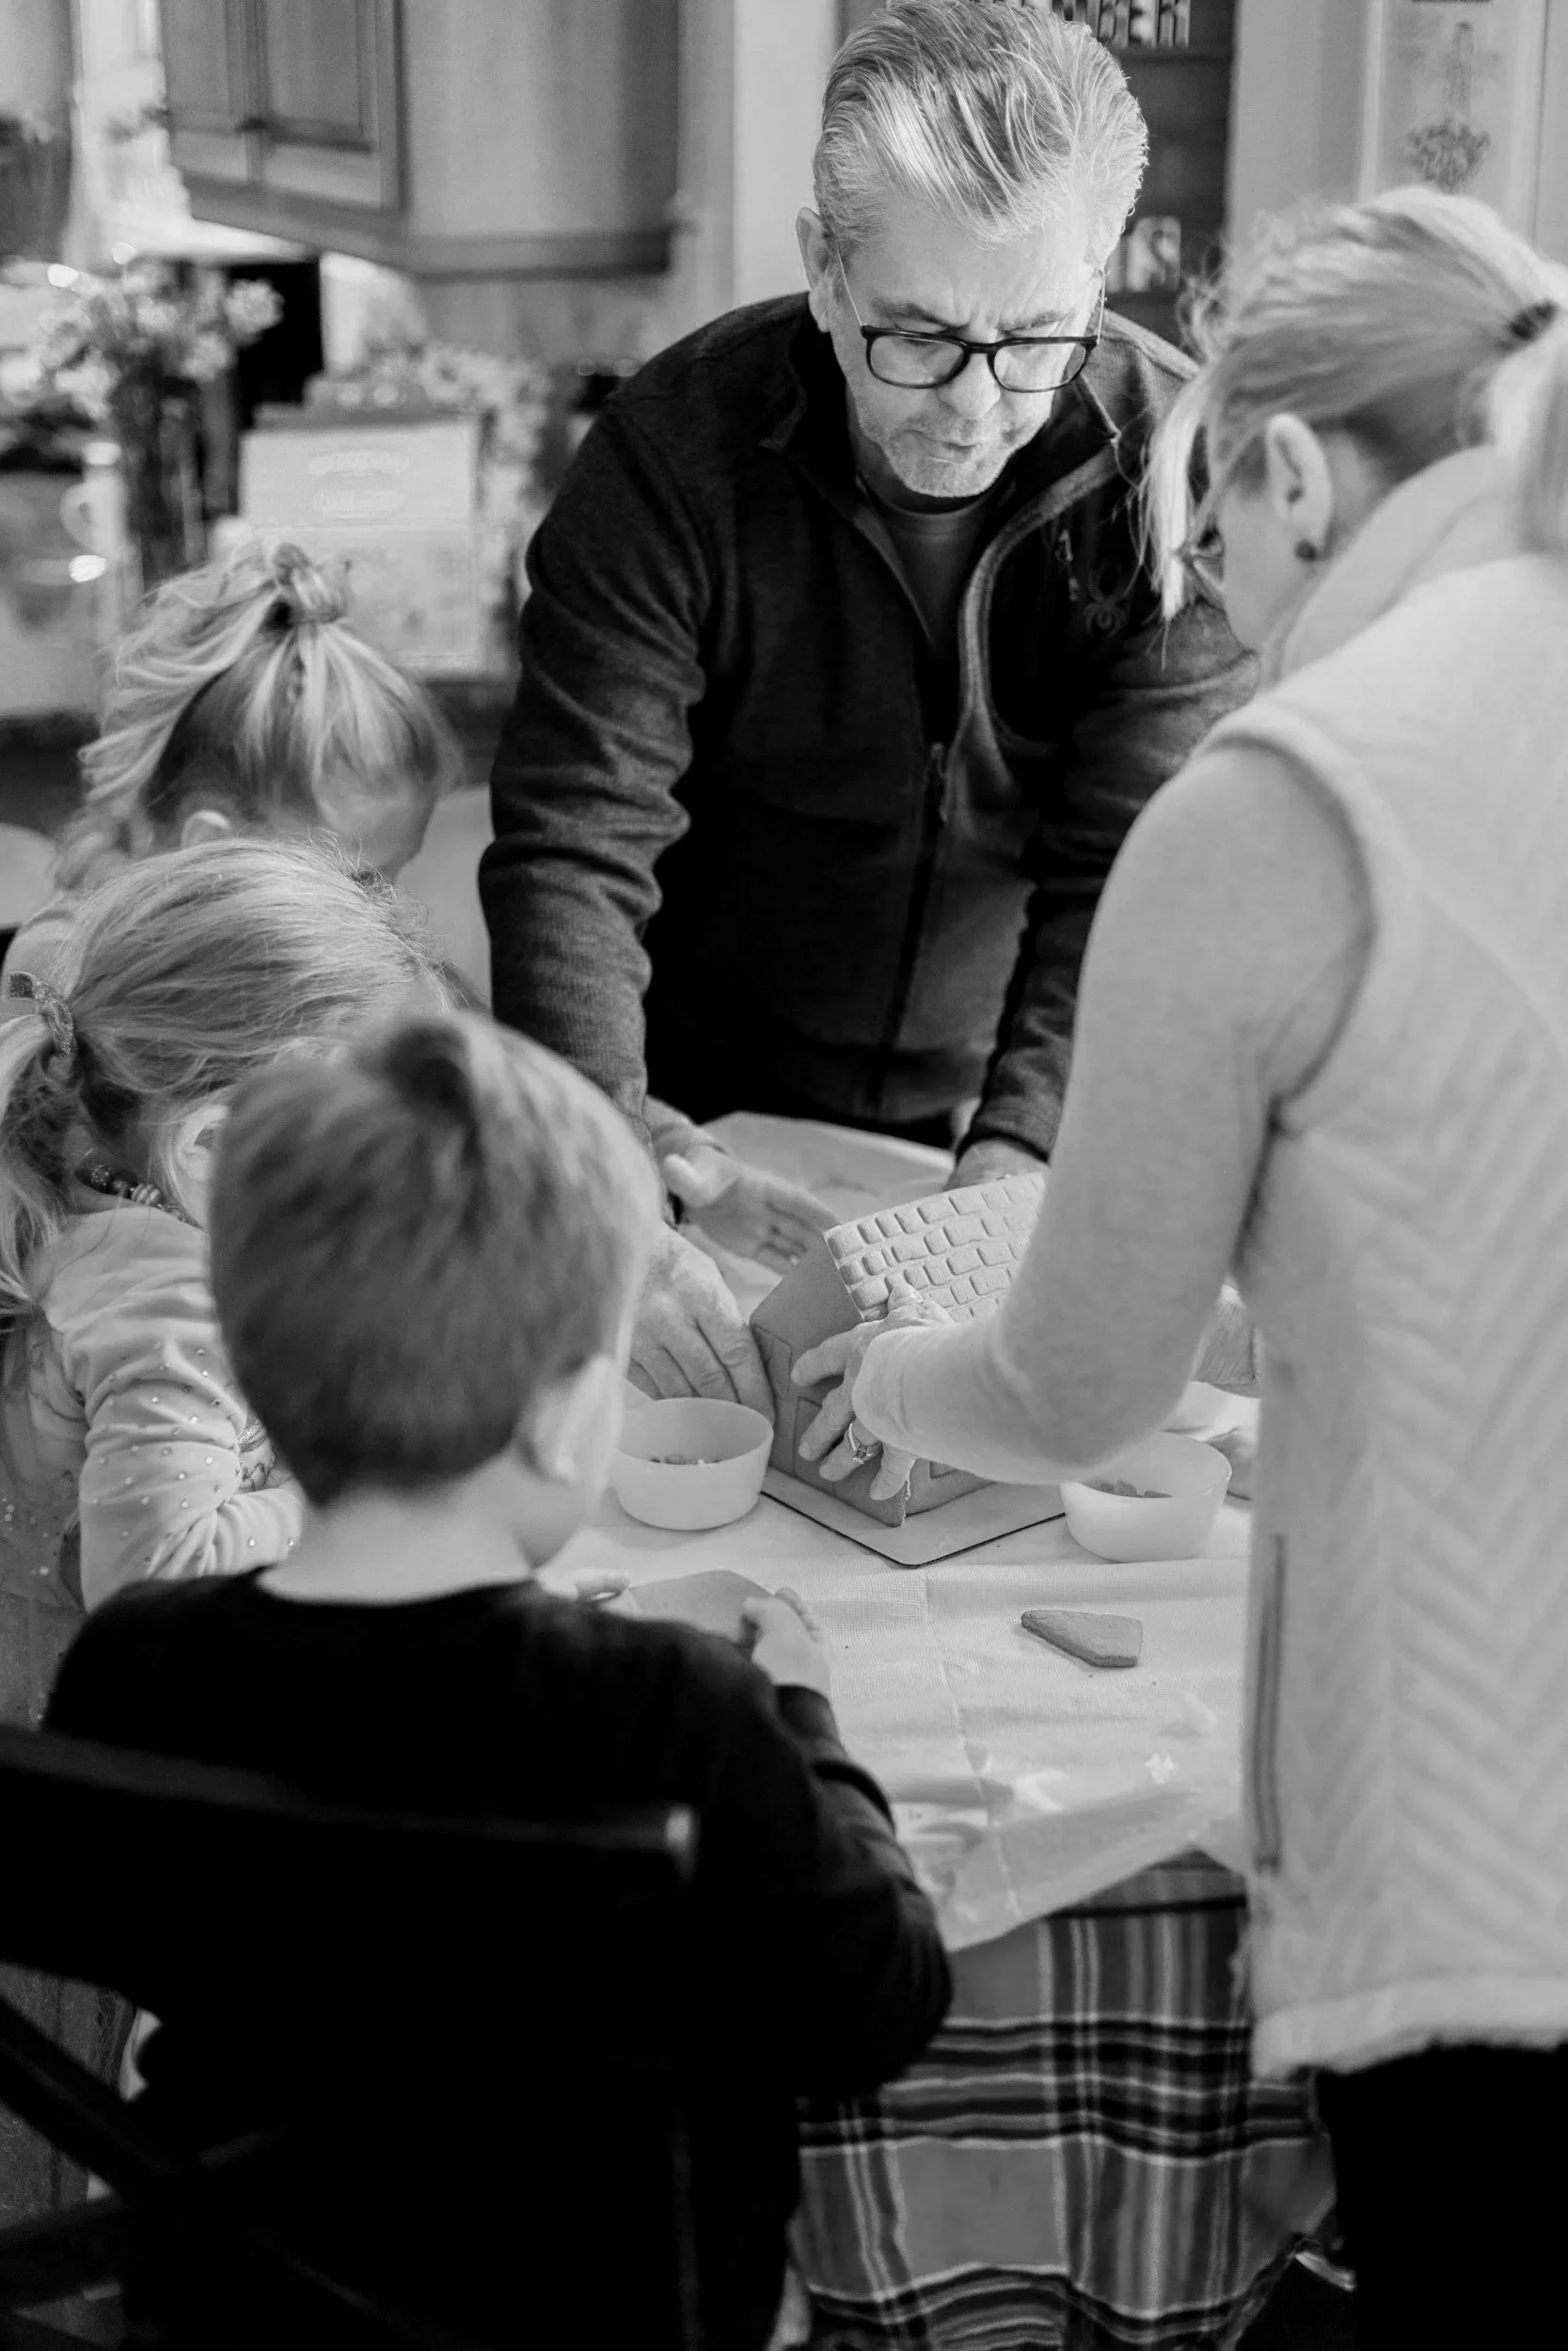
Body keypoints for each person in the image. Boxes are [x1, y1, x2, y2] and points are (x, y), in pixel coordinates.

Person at [788, 186, 1568, 2344]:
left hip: (1505, 1864)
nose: (1220, 612)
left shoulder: (1297, 788)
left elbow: (1075, 1388)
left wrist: (899, 1364)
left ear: (1293, 474)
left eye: (1213, 547)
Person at [45, 1008, 951, 2351]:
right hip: (615, 2315)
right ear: (552, 1412)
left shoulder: (135, 1660)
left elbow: (114, 1934)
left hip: (234, 2312)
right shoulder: (677, 1707)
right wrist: (801, 1713)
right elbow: (877, 2002)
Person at [482, 0, 1254, 1418]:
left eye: (1035, 337)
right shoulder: (670, 457)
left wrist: (1007, 1184)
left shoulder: (1175, 473)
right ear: (821, 270)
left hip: (1012, 1091)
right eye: (915, 335)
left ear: (1095, 282)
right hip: (692, 1088)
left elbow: (1127, 875)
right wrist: (605, 1174)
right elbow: (572, 851)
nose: (973, 407)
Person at [1, 536, 831, 1277]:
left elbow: (492, 1068)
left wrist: (678, 1158)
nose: (385, 906)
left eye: (392, 871)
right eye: (356, 874)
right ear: (212, 845)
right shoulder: (74, 986)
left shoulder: (309, 946)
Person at [0, 838, 448, 1729]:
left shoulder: (93, 1178)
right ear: (209, 1148)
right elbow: (152, 1584)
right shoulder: (178, 1310)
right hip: (120, 1747)